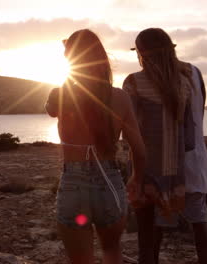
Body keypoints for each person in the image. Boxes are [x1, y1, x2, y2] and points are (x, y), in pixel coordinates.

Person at [45, 29, 158, 263]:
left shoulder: (60, 94)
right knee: (111, 251)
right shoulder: (120, 98)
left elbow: (52, 109)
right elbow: (139, 149)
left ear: (70, 60)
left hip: (73, 185)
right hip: (110, 183)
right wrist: (136, 178)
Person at [123, 28, 207, 264]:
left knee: (150, 232)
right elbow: (195, 121)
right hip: (190, 160)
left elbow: (129, 130)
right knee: (198, 220)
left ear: (141, 53)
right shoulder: (191, 75)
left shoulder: (134, 81)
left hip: (149, 168)